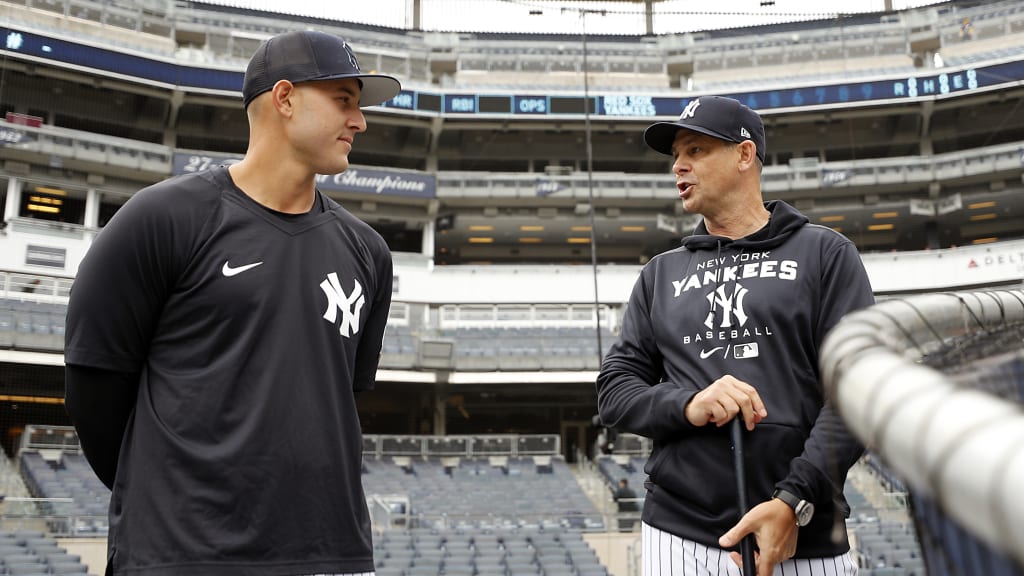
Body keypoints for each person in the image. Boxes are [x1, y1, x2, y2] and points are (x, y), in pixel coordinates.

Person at [64, 30, 400, 576]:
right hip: (180, 554)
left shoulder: (369, 252)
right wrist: (171, 499)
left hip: (329, 551)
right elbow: (93, 395)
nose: (359, 121)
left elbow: (337, 400)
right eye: (344, 100)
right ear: (284, 98)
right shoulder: (161, 219)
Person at [596, 96, 873, 576]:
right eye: (676, 155)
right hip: (678, 531)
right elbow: (615, 392)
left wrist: (794, 501)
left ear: (745, 155)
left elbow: (857, 392)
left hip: (801, 534)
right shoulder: (660, 274)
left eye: (696, 150)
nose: (678, 166)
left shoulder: (824, 253)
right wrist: (689, 403)